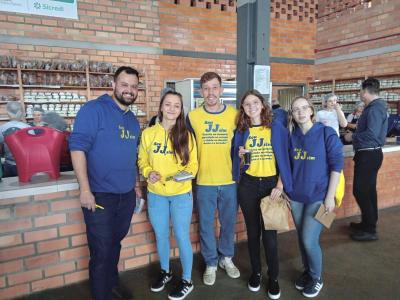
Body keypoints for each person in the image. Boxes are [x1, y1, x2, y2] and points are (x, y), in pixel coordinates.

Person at [69, 66, 142, 300]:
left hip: (125, 196)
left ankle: (111, 286)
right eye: (124, 84)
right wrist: (85, 190)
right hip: (99, 196)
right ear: (113, 85)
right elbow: (77, 148)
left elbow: (132, 157)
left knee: (114, 245)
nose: (129, 90)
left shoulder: (132, 120)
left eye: (133, 86)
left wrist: (136, 185)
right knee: (101, 252)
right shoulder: (93, 110)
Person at [232, 90, 293, 300]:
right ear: (243, 109)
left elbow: (286, 160)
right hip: (248, 185)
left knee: (270, 236)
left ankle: (273, 277)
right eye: (247, 104)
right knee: (253, 233)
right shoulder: (241, 130)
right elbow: (238, 164)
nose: (251, 107)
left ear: (262, 104)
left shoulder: (276, 128)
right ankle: (256, 273)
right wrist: (239, 157)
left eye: (255, 102)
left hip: (270, 185)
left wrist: (280, 185)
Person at [138, 91, 198, 300]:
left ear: (181, 110)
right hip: (156, 195)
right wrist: (148, 172)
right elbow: (142, 160)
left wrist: (178, 177)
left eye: (177, 106)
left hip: (181, 194)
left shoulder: (186, 135)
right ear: (161, 106)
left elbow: (193, 166)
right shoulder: (148, 134)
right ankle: (166, 271)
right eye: (168, 104)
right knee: (161, 235)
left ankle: (187, 280)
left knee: (182, 236)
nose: (172, 109)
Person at [186, 72, 240, 285]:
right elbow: (186, 148)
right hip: (204, 182)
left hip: (229, 181)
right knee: (206, 225)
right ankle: (210, 262)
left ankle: (226, 258)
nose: (210, 92)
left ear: (221, 90)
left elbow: (241, 146)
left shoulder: (235, 115)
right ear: (201, 91)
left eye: (214, 87)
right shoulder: (192, 117)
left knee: (228, 223)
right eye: (206, 88)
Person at [288, 96, 343, 298]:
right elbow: (288, 166)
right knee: (302, 240)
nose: (301, 112)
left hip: (319, 197)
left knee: (309, 240)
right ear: (292, 115)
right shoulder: (292, 137)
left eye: (304, 108)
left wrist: (330, 198)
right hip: (296, 198)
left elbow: (337, 166)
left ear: (311, 111)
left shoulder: (326, 133)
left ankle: (317, 277)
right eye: (296, 110)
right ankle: (307, 271)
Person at [344, 78, 388, 241]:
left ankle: (370, 230)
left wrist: (352, 137)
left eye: (361, 91)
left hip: (369, 155)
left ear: (366, 91)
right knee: (368, 191)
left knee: (360, 190)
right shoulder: (376, 107)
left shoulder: (375, 108)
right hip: (369, 154)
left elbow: (372, 134)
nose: (360, 94)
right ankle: (368, 222)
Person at [0, 101, 30, 177]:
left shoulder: (2, 129)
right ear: (20, 112)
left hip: (9, 163)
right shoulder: (28, 128)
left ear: (8, 112)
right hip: (26, 163)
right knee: (26, 186)